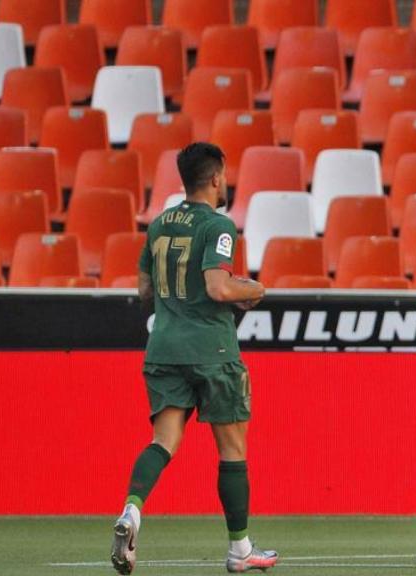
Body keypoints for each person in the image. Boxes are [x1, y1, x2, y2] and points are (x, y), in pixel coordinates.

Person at [111, 143, 274, 575]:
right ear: (217, 177)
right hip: (212, 351)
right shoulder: (219, 226)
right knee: (232, 450)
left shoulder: (160, 224)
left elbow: (144, 290)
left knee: (162, 442)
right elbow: (220, 288)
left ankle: (131, 511)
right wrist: (253, 290)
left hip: (163, 347)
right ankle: (240, 549)